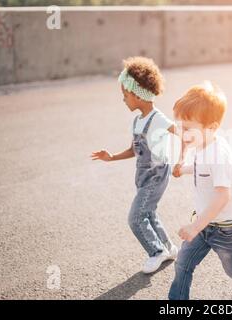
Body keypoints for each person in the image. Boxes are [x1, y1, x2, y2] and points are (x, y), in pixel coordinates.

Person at [168, 81, 232, 300]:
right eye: (181, 127)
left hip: (227, 230)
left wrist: (195, 226)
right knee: (183, 263)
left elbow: (222, 196)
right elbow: (201, 169)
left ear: (211, 127)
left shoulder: (218, 155)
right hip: (205, 224)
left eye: (187, 128)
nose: (183, 134)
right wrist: (184, 169)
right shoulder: (203, 144)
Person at [91, 56, 177, 274]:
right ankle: (168, 248)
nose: (124, 100)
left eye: (126, 95)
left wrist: (188, 154)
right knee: (149, 213)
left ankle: (156, 252)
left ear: (138, 94)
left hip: (157, 175)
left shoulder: (157, 118)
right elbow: (133, 150)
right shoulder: (137, 120)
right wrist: (111, 157)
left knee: (135, 217)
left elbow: (180, 132)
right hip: (143, 177)